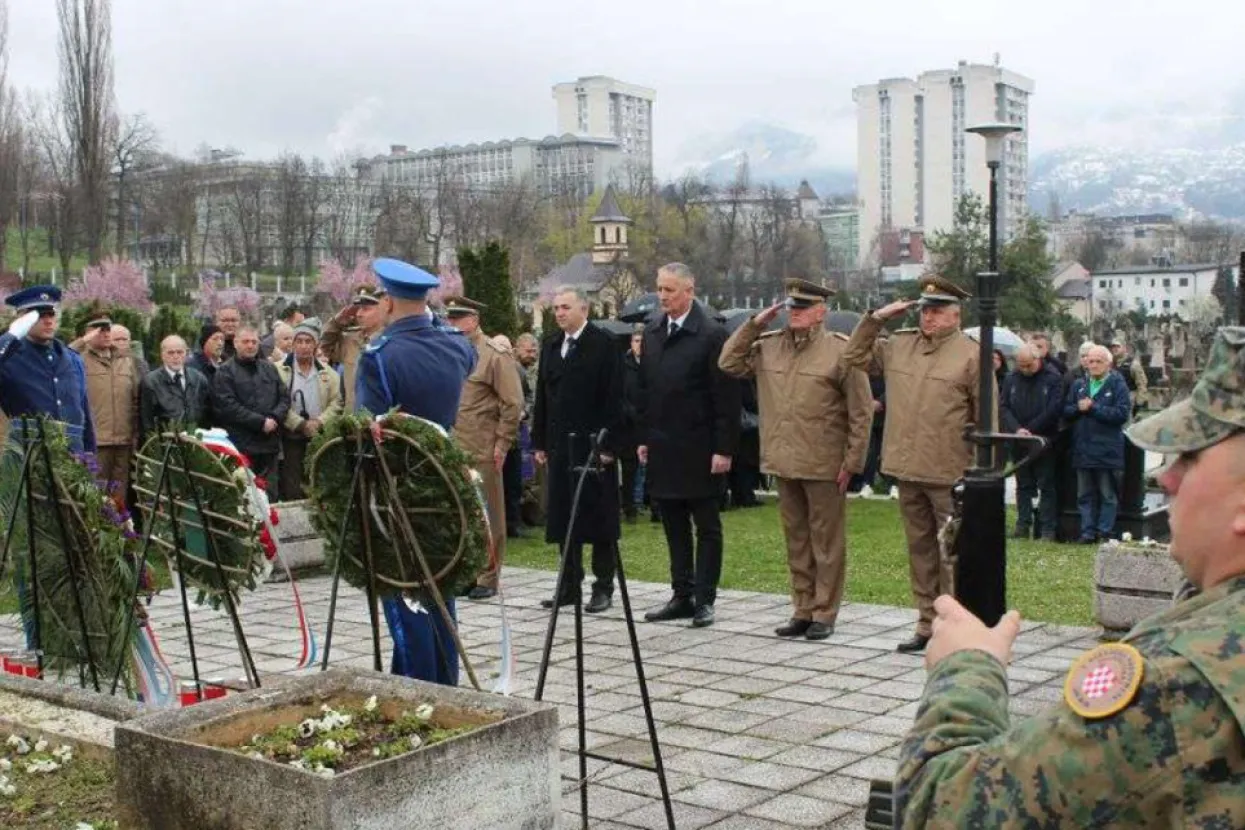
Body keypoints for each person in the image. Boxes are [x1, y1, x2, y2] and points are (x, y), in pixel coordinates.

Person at [893, 325, 1245, 828]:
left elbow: (944, 808)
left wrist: (966, 670)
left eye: (1190, 457)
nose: (1165, 477)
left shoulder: (1179, 682)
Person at [720, 279, 872, 640]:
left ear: (822, 312)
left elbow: (861, 411)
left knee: (826, 542)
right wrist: (756, 323)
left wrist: (852, 462)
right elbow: (728, 362)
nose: (794, 313)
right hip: (783, 458)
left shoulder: (841, 351)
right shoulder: (769, 347)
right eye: (791, 307)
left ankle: (825, 611)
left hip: (824, 462)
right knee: (797, 540)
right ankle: (802, 608)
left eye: (803, 308)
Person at [843, 275, 983, 653]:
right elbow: (853, 356)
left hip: (949, 469)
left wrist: (984, 472)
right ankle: (926, 622)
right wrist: (876, 319)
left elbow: (986, 419)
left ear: (956, 315)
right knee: (920, 552)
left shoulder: (972, 354)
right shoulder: (899, 346)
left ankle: (956, 626)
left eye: (937, 312)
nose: (929, 318)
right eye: (925, 311)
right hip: (907, 467)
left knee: (951, 554)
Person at [356, 258, 476, 687]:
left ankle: (418, 692)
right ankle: (447, 685)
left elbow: (366, 430)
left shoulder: (380, 356)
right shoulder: (456, 343)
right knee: (439, 594)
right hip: (444, 482)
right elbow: (469, 356)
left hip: (397, 490)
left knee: (405, 596)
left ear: (387, 301)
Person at [638, 263, 741, 629]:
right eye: (660, 289)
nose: (662, 296)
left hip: (701, 447)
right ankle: (681, 594)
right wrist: (645, 438)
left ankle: (704, 598)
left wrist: (724, 447)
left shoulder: (712, 334)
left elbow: (725, 396)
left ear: (689, 290)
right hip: (664, 445)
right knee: (673, 524)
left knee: (707, 526)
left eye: (670, 290)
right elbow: (648, 391)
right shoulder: (652, 331)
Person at [531, 286, 623, 614]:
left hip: (593, 448)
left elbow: (615, 398)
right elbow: (543, 395)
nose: (559, 313)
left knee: (598, 519)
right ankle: (569, 585)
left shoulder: (603, 344)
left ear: (584, 309)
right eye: (555, 308)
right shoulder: (552, 345)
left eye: (565, 307)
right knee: (563, 518)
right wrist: (539, 440)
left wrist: (608, 445)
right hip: (560, 448)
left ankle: (603, 587)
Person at [443, 297, 522, 601]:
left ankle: (489, 575)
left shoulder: (492, 354)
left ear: (473, 320)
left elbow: (512, 402)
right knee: (462, 514)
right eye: (449, 318)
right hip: (453, 446)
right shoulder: (449, 351)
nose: (451, 323)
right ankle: (469, 572)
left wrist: (502, 442)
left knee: (489, 514)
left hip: (483, 447)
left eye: (457, 318)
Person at [0, 286, 95, 454]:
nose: (48, 320)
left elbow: (82, 412)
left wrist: (89, 456)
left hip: (73, 458)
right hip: (30, 458)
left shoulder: (72, 359)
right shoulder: (9, 359)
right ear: (21, 319)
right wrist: (11, 337)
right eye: (38, 315)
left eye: (51, 314)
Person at [1063, 344, 1131, 543]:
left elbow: (1121, 414)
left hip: (1107, 450)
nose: (1093, 365)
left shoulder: (1118, 384)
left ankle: (1104, 532)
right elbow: (1066, 411)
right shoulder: (1079, 385)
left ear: (1108, 363)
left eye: (1098, 361)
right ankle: (1087, 532)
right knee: (1084, 495)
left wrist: (1094, 408)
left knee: (1107, 494)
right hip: (1083, 449)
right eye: (1090, 361)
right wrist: (1078, 408)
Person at [211, 325, 288, 494]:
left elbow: (284, 398)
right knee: (246, 497)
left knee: (271, 496)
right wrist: (260, 422)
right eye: (246, 341)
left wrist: (274, 418)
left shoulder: (269, 368)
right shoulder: (225, 372)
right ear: (236, 343)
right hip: (243, 446)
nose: (250, 345)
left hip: (270, 445)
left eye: (254, 342)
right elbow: (228, 407)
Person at [999, 344, 1063, 540]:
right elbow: (1004, 406)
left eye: (1028, 365)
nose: (1025, 370)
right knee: (1023, 484)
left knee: (1046, 485)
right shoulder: (1012, 378)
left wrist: (1032, 429)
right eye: (1021, 366)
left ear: (1038, 360)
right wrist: (1017, 429)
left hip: (1044, 439)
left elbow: (1054, 408)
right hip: (1018, 439)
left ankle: (1047, 528)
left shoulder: (1052, 378)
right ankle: (1022, 524)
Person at [71, 314, 139, 497]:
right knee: (96, 495)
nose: (105, 333)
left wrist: (134, 434)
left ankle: (121, 526)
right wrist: (82, 341)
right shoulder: (80, 359)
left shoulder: (126, 360)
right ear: (88, 333)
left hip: (123, 441)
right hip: (96, 441)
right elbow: (63, 356)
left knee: (119, 495)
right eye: (99, 329)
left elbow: (135, 400)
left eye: (108, 329)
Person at [274, 319, 342, 501]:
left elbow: (337, 402)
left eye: (308, 341)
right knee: (292, 485)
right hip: (290, 436)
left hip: (319, 436)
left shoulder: (329, 373)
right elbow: (274, 401)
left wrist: (319, 422)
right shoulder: (278, 370)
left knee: (316, 481)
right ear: (293, 344)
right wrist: (300, 423)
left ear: (315, 344)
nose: (304, 346)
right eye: (300, 341)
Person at [321, 286, 386, 414]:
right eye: (358, 309)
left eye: (366, 309)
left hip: (379, 421)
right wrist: (336, 322)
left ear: (383, 310)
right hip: (352, 419)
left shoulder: (389, 341)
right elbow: (325, 346)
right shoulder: (351, 340)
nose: (358, 314)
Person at [139, 335, 211, 438]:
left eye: (179, 352)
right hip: (166, 443)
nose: (176, 356)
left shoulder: (199, 378)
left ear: (186, 353)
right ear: (162, 355)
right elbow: (147, 422)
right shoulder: (151, 382)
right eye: (171, 353)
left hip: (195, 441)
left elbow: (206, 413)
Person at [503, 332, 539, 538]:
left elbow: (528, 396)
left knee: (517, 481)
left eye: (535, 351)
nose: (532, 355)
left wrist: (524, 410)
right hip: (499, 434)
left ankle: (515, 522)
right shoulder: (502, 367)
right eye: (528, 350)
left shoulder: (521, 371)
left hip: (518, 433)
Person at [620, 326, 645, 522]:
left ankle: (654, 506)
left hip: (648, 421)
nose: (639, 345)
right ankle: (629, 508)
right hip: (628, 425)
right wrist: (631, 413)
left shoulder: (651, 363)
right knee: (629, 467)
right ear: (631, 343)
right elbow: (621, 395)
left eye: (642, 342)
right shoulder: (623, 365)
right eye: (636, 341)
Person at [1111, 337, 1149, 414]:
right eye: (1113, 347)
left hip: (1129, 401)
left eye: (1118, 346)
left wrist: (1138, 403)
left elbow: (1142, 384)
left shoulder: (1133, 364)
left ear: (1124, 348)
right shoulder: (1110, 364)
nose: (1115, 349)